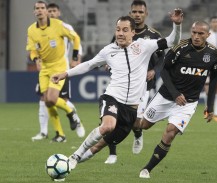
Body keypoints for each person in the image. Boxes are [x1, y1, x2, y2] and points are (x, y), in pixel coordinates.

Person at [51, 11, 183, 171]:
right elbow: (89, 64)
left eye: (125, 30)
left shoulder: (144, 46)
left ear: (133, 32)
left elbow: (172, 41)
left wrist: (176, 24)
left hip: (131, 109)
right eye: (118, 29)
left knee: (99, 146)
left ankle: (71, 163)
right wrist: (65, 74)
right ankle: (74, 156)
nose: (120, 33)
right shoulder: (108, 51)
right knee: (107, 126)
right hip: (112, 98)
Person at [138, 20, 217, 179]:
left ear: (208, 35)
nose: (196, 36)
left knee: (170, 134)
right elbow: (164, 71)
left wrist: (210, 107)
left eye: (200, 33)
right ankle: (136, 132)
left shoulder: (214, 54)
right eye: (194, 32)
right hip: (166, 96)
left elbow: (215, 80)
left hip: (187, 103)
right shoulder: (180, 47)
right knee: (144, 125)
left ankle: (147, 169)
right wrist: (175, 94)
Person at [104, 0, 164, 164]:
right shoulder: (122, 33)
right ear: (130, 13)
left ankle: (137, 134)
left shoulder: (153, 34)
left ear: (146, 14)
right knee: (112, 119)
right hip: (121, 85)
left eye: (140, 12)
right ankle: (112, 154)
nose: (137, 15)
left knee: (136, 122)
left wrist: (154, 70)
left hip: (143, 85)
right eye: (134, 12)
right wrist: (108, 64)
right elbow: (111, 53)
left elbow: (164, 56)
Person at [26, 1, 82, 142]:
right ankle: (60, 134)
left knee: (51, 98)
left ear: (46, 11)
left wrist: (75, 56)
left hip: (59, 67)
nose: (40, 10)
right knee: (47, 102)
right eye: (37, 8)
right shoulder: (31, 30)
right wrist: (36, 59)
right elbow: (32, 49)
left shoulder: (58, 25)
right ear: (34, 12)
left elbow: (75, 38)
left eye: (42, 8)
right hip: (44, 68)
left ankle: (71, 112)